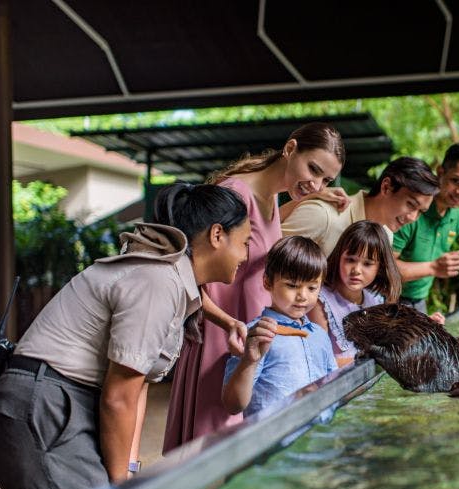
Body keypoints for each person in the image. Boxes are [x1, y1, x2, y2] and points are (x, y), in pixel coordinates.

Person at [0, 183, 251, 489]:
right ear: (218, 235)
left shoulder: (172, 278)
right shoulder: (158, 282)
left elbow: (137, 384)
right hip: (43, 404)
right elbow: (119, 398)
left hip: (59, 398)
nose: (246, 255)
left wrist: (129, 471)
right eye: (245, 242)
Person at [163, 123, 346, 452]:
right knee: (211, 460)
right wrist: (228, 323)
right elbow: (185, 274)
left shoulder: (273, 197)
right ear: (290, 149)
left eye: (326, 179)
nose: (317, 183)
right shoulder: (234, 193)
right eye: (313, 170)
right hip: (222, 343)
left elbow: (261, 232)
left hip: (254, 342)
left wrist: (314, 194)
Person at [222, 236, 336, 416]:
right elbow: (233, 405)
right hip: (274, 439)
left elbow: (332, 388)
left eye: (312, 288)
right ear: (267, 282)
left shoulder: (320, 336)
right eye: (292, 285)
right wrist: (249, 361)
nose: (302, 296)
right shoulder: (255, 335)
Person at [393, 143, 459, 321]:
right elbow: (383, 270)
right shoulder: (412, 211)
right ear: (441, 172)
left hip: (419, 302)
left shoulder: (457, 219)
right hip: (386, 299)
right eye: (456, 181)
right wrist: (434, 267)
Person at [281, 156, 440, 257]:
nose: (413, 218)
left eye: (421, 212)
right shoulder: (322, 215)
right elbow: (265, 261)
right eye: (411, 204)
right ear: (386, 187)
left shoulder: (386, 237)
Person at [308, 221, 402, 367]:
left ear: (380, 267)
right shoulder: (320, 301)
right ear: (339, 257)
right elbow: (318, 363)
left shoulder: (375, 300)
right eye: (350, 260)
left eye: (367, 263)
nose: (356, 270)